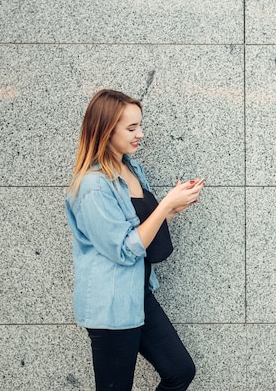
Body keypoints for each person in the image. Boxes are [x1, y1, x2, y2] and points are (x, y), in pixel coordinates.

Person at [65, 89, 203, 390]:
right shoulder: (93, 187)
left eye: (139, 125)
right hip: (111, 307)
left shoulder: (131, 168)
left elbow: (140, 230)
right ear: (105, 129)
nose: (140, 133)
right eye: (131, 128)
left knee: (180, 371)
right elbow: (125, 249)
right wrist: (165, 203)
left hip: (138, 297)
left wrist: (171, 210)